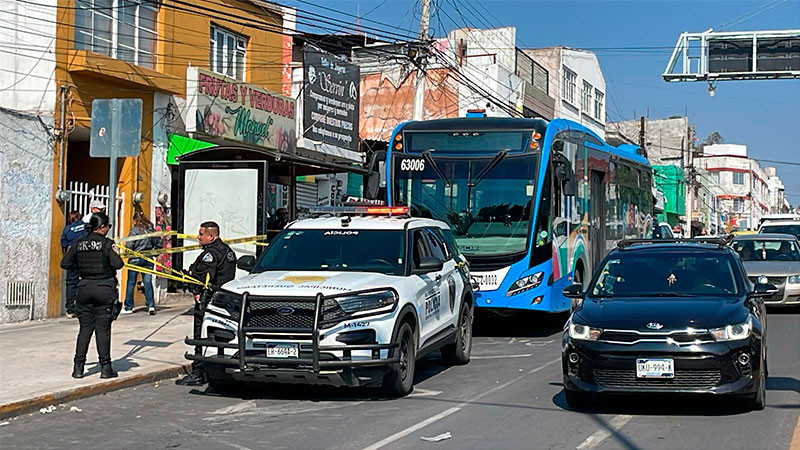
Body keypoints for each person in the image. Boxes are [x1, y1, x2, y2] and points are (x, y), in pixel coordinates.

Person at [60, 213, 125, 379]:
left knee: (85, 329)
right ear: (102, 227)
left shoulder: (78, 243)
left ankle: (78, 368)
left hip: (84, 289)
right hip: (104, 289)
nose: (108, 230)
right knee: (103, 330)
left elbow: (65, 263)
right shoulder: (107, 244)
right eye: (108, 227)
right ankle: (105, 368)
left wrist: (81, 266)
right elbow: (118, 264)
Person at [175, 221, 236, 386]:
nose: (198, 237)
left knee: (200, 336)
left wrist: (195, 291)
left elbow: (201, 277)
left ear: (211, 236)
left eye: (201, 234)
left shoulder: (211, 254)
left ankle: (198, 373)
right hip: (223, 301)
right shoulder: (227, 251)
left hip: (208, 300)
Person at [122, 212, 163, 315]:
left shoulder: (134, 231)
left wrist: (127, 253)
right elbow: (158, 243)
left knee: (131, 282)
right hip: (148, 258)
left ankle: (128, 307)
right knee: (148, 282)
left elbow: (129, 245)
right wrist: (154, 252)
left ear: (135, 220)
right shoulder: (150, 230)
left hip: (135, 258)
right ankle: (151, 306)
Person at [60, 211, 88, 318]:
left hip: (71, 257)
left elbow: (63, 243)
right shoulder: (85, 227)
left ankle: (70, 309)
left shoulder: (67, 229)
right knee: (85, 281)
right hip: (84, 256)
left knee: (71, 283)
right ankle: (83, 307)